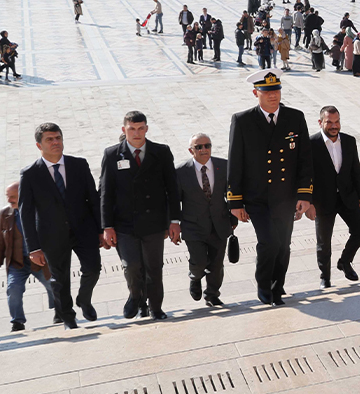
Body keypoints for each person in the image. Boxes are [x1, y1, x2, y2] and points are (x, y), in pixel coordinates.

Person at [228, 70, 313, 306]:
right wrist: (235, 202)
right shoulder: (242, 120)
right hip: (257, 198)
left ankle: (278, 285)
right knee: (268, 242)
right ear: (256, 93)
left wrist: (305, 194)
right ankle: (264, 284)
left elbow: (305, 159)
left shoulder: (295, 117)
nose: (273, 96)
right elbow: (235, 162)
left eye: (276, 90)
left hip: (285, 197)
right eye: (267, 92)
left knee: (283, 244)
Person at [19, 123, 104, 330]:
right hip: (51, 236)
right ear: (39, 145)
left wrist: (102, 229)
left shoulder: (79, 165)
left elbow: (93, 199)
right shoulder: (30, 174)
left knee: (93, 268)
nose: (56, 142)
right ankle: (68, 317)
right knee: (60, 279)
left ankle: (84, 299)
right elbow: (26, 213)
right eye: (50, 139)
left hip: (84, 230)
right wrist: (34, 248)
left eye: (58, 138)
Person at [100, 112, 181, 321]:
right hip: (124, 224)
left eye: (140, 128)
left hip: (153, 222)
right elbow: (105, 193)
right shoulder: (112, 155)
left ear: (146, 129)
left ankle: (155, 307)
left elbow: (172, 188)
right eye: (131, 129)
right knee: (131, 265)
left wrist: (174, 221)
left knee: (154, 267)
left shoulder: (161, 152)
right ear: (123, 130)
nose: (136, 133)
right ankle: (135, 296)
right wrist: (106, 226)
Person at [305, 106, 360, 288]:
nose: (334, 126)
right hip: (322, 200)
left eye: (337, 122)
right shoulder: (311, 144)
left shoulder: (349, 141)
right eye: (329, 122)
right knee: (324, 241)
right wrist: (309, 202)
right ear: (320, 122)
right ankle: (325, 277)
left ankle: (345, 261)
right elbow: (306, 175)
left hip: (347, 196)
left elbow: (356, 169)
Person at [176, 133, 234, 307]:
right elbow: (173, 201)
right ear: (190, 150)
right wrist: (173, 224)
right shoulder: (180, 172)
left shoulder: (224, 166)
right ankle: (195, 277)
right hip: (193, 225)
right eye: (199, 147)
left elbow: (231, 193)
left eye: (207, 145)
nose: (204, 150)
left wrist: (234, 216)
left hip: (220, 223)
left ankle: (212, 294)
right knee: (199, 260)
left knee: (217, 263)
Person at [0, 182, 57, 332]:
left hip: (40, 261)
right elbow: (0, 240)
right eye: (8, 197)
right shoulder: (5, 214)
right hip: (17, 262)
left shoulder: (39, 210)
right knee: (13, 288)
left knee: (53, 285)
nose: (9, 200)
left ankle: (59, 311)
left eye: (13, 197)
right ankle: (17, 322)